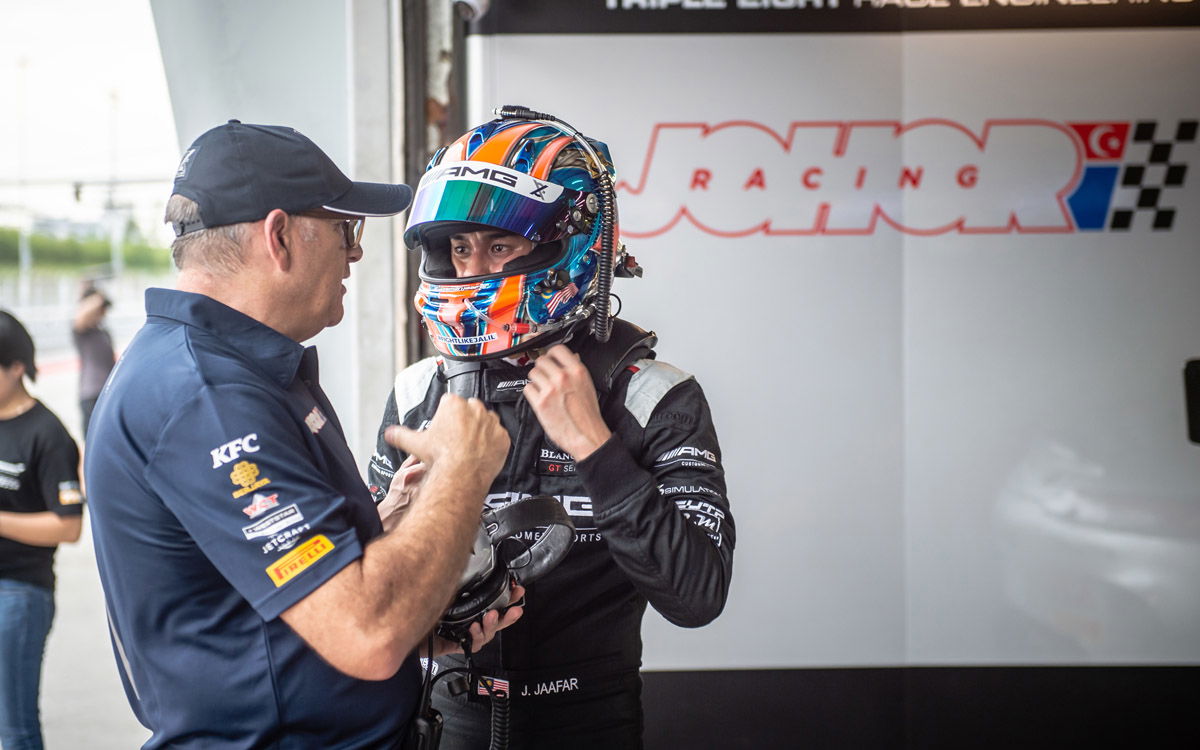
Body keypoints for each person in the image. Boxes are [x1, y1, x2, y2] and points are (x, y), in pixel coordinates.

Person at [84, 120, 523, 749]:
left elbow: (274, 603)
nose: (357, 253)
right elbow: (365, 635)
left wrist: (409, 584)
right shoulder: (208, 397)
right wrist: (462, 470)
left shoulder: (229, 369)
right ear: (280, 235)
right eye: (345, 230)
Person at [368, 109, 735, 749]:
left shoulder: (651, 394)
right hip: (442, 717)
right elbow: (367, 592)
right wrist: (390, 521)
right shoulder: (418, 391)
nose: (471, 268)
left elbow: (697, 595)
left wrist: (597, 447)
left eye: (499, 245)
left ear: (565, 248)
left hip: (589, 720)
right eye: (459, 247)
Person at [0, 309, 85, 750]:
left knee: (13, 729)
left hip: (17, 594)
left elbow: (67, 527)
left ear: (16, 368)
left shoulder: (46, 434)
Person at [70, 280, 116, 441]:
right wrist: (93, 293)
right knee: (92, 442)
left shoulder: (104, 332)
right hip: (91, 395)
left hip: (108, 392)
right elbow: (83, 313)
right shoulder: (81, 330)